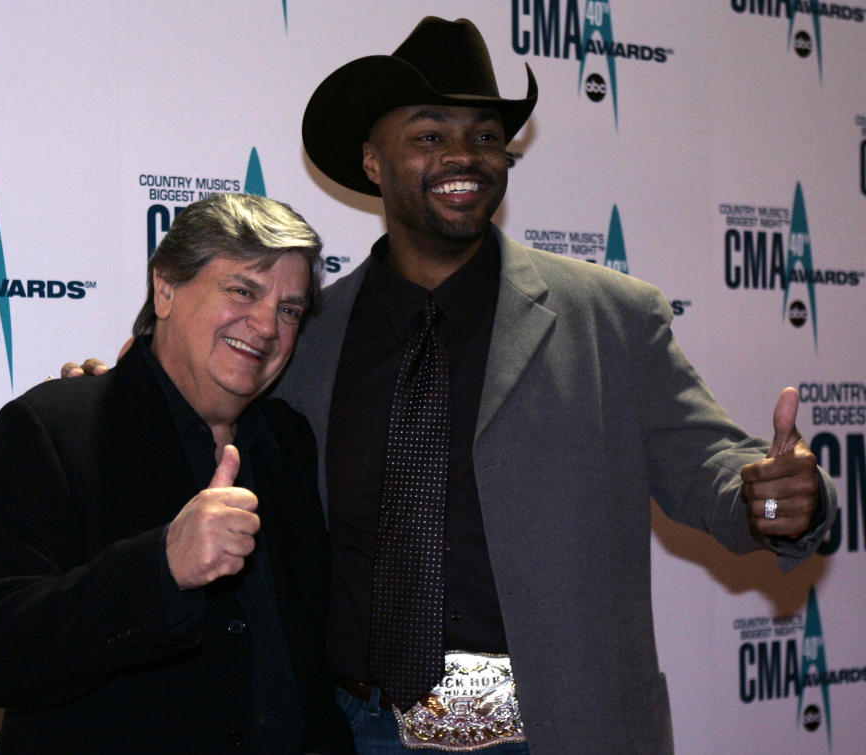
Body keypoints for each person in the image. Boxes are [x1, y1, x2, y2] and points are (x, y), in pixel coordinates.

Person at [64, 17, 837, 754]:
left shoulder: (612, 318)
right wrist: (118, 397)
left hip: (553, 726)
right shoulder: (306, 333)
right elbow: (206, 406)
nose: (463, 156)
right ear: (373, 162)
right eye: (429, 135)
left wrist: (772, 496)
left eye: (486, 137)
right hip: (352, 728)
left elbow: (711, 464)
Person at [0, 193, 355, 754]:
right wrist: (161, 568)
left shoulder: (290, 439)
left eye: (289, 309)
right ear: (165, 288)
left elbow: (304, 672)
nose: (266, 326)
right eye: (242, 290)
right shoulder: (55, 427)